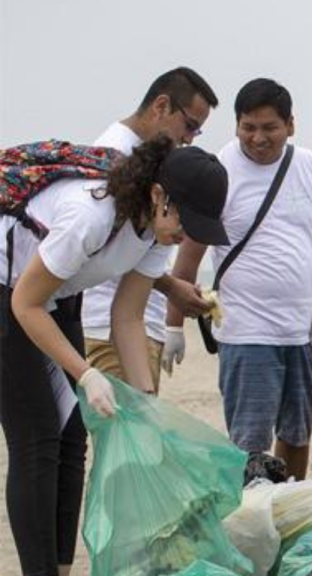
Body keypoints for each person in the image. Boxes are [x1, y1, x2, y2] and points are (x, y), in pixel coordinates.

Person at [1, 137, 229, 576]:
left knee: (72, 432)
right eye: (187, 219)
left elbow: (127, 316)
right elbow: (25, 305)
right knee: (37, 437)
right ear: (159, 195)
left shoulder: (156, 233)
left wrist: (144, 403)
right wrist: (86, 374)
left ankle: (61, 568)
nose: (187, 236)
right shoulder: (92, 216)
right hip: (9, 291)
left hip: (58, 292)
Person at [164, 78, 312, 480]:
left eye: (269, 128)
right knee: (249, 444)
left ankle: (288, 511)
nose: (258, 138)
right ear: (236, 125)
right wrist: (173, 325)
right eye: (248, 127)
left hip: (301, 330)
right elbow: (190, 253)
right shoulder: (219, 169)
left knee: (297, 435)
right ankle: (252, 525)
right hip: (246, 332)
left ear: (290, 125)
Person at [81, 66, 220, 393]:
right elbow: (100, 251)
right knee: (123, 438)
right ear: (161, 106)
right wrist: (172, 287)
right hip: (106, 326)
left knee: (138, 430)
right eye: (189, 126)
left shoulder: (158, 163)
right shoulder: (114, 158)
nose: (188, 139)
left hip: (136, 320)